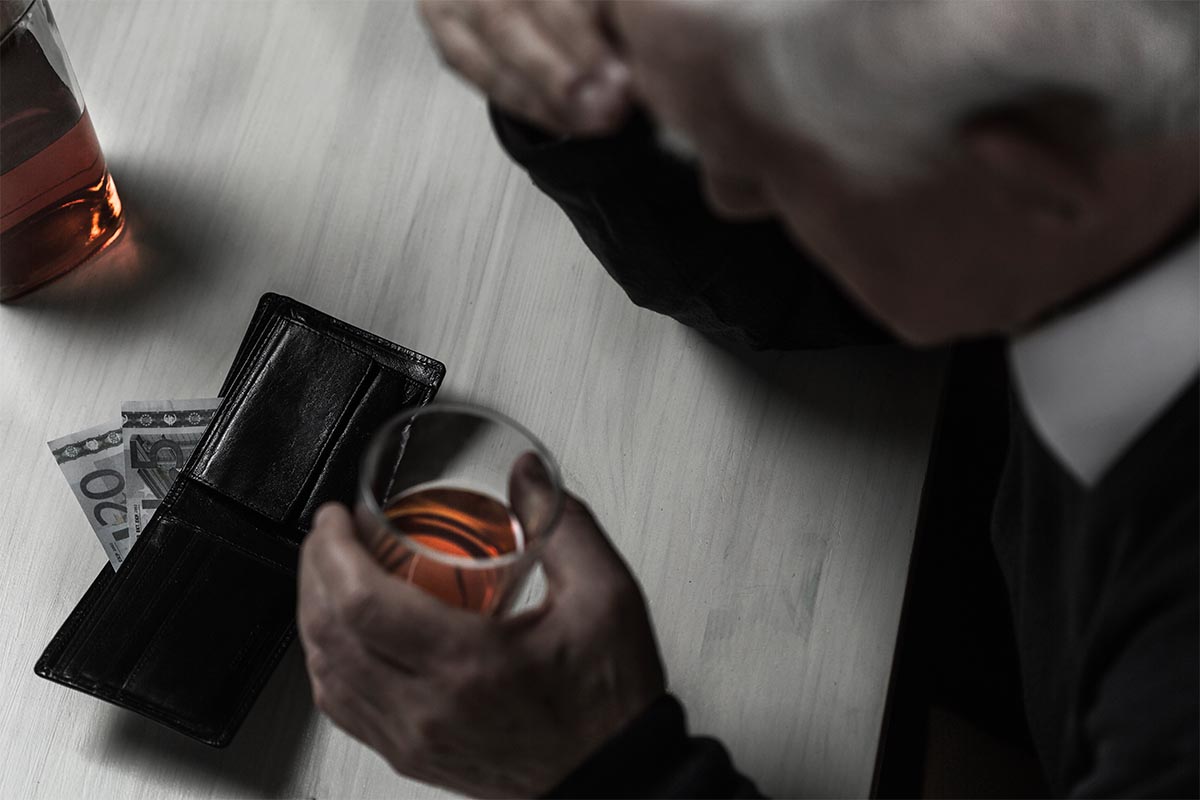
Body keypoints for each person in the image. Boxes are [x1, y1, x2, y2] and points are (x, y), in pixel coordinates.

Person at [296, 2, 1199, 796]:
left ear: (1030, 186)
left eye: (764, 168)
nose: (726, 194)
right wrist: (577, 82)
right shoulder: (1089, 180)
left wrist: (608, 771)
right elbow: (781, 281)